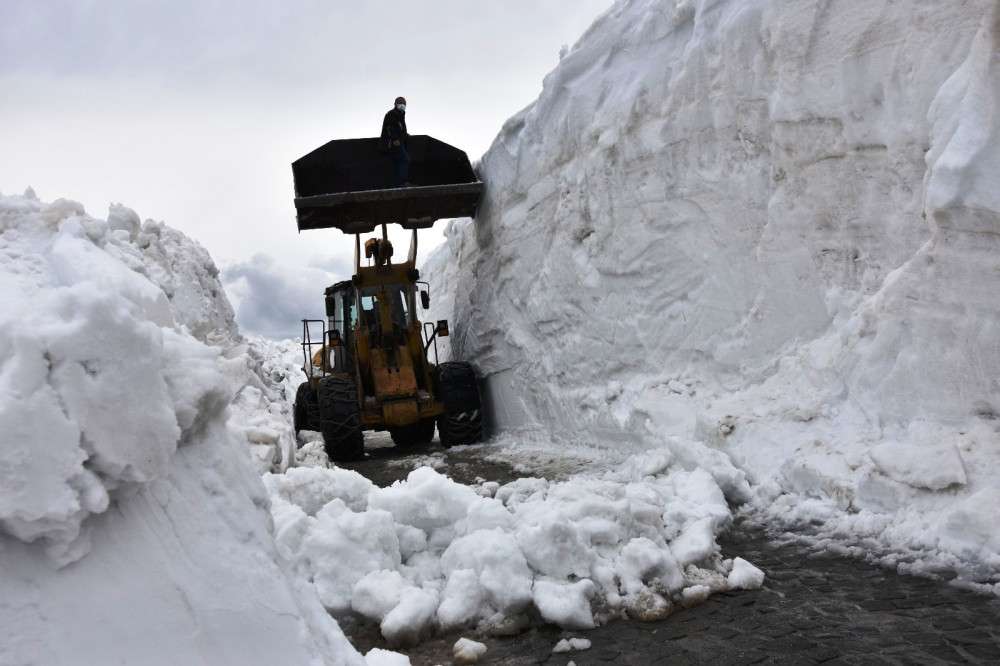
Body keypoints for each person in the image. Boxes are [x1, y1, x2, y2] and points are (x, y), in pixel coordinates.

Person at [381, 96, 409, 187]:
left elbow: (400, 129)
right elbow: (389, 127)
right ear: (395, 104)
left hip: (399, 142)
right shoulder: (392, 114)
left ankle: (397, 184)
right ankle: (402, 183)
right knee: (405, 160)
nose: (402, 105)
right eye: (400, 103)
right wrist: (395, 139)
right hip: (393, 143)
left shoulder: (401, 115)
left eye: (404, 104)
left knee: (397, 163)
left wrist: (406, 135)